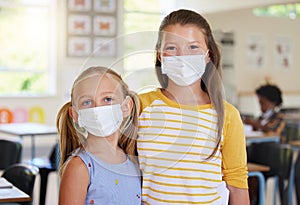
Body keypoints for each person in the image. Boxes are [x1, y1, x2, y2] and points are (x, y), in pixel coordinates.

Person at [137, 9, 249, 205]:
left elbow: (237, 188)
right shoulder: (140, 105)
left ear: (208, 55)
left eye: (193, 47)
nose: (182, 56)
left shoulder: (227, 115)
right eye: (171, 48)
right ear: (160, 56)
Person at [56, 66, 141, 205]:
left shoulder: (133, 162)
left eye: (107, 99)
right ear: (75, 114)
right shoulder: (79, 167)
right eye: (87, 102)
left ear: (126, 107)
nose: (97, 108)